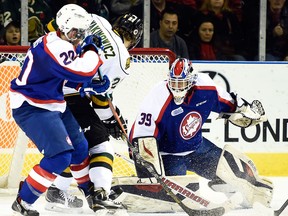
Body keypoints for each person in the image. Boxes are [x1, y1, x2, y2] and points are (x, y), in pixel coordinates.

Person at [129, 58, 274, 209]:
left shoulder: (206, 87)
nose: (177, 88)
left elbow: (229, 102)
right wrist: (147, 168)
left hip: (198, 148)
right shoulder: (157, 96)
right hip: (169, 156)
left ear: (191, 81)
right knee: (181, 202)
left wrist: (245, 109)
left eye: (182, 83)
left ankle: (250, 196)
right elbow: (141, 137)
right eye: (174, 82)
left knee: (230, 174)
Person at [9, 4, 109, 216]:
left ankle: (88, 192)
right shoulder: (55, 46)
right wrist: (92, 52)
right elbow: (82, 71)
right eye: (76, 32)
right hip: (31, 106)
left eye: (82, 32)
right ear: (64, 28)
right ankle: (23, 200)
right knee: (60, 157)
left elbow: (65, 78)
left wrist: (87, 86)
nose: (80, 36)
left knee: (80, 148)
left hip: (51, 101)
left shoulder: (63, 41)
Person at [44, 13, 143, 212]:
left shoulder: (96, 20)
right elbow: (99, 101)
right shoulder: (122, 60)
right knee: (101, 144)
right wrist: (112, 122)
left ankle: (61, 191)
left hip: (42, 85)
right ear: (134, 40)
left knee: (77, 145)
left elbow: (50, 26)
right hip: (66, 96)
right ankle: (99, 194)